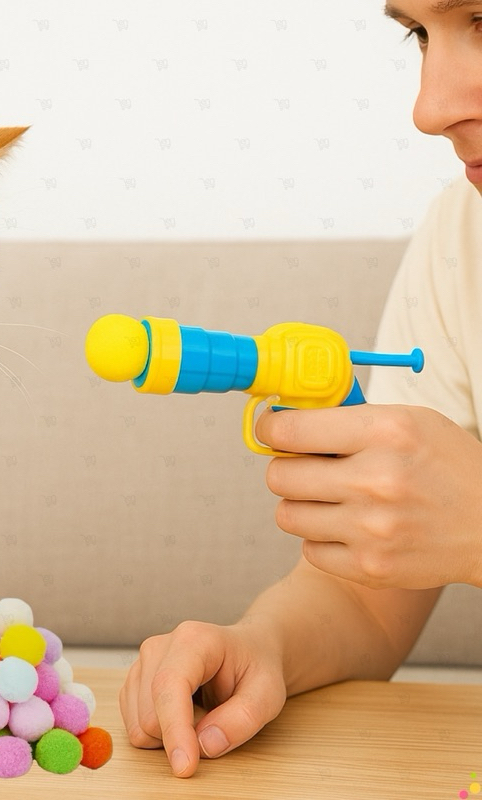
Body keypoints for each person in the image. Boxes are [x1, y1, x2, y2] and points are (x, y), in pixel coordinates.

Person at [119, 0, 482, 778]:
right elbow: (371, 597)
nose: (431, 108)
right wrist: (263, 647)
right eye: (418, 35)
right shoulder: (464, 234)